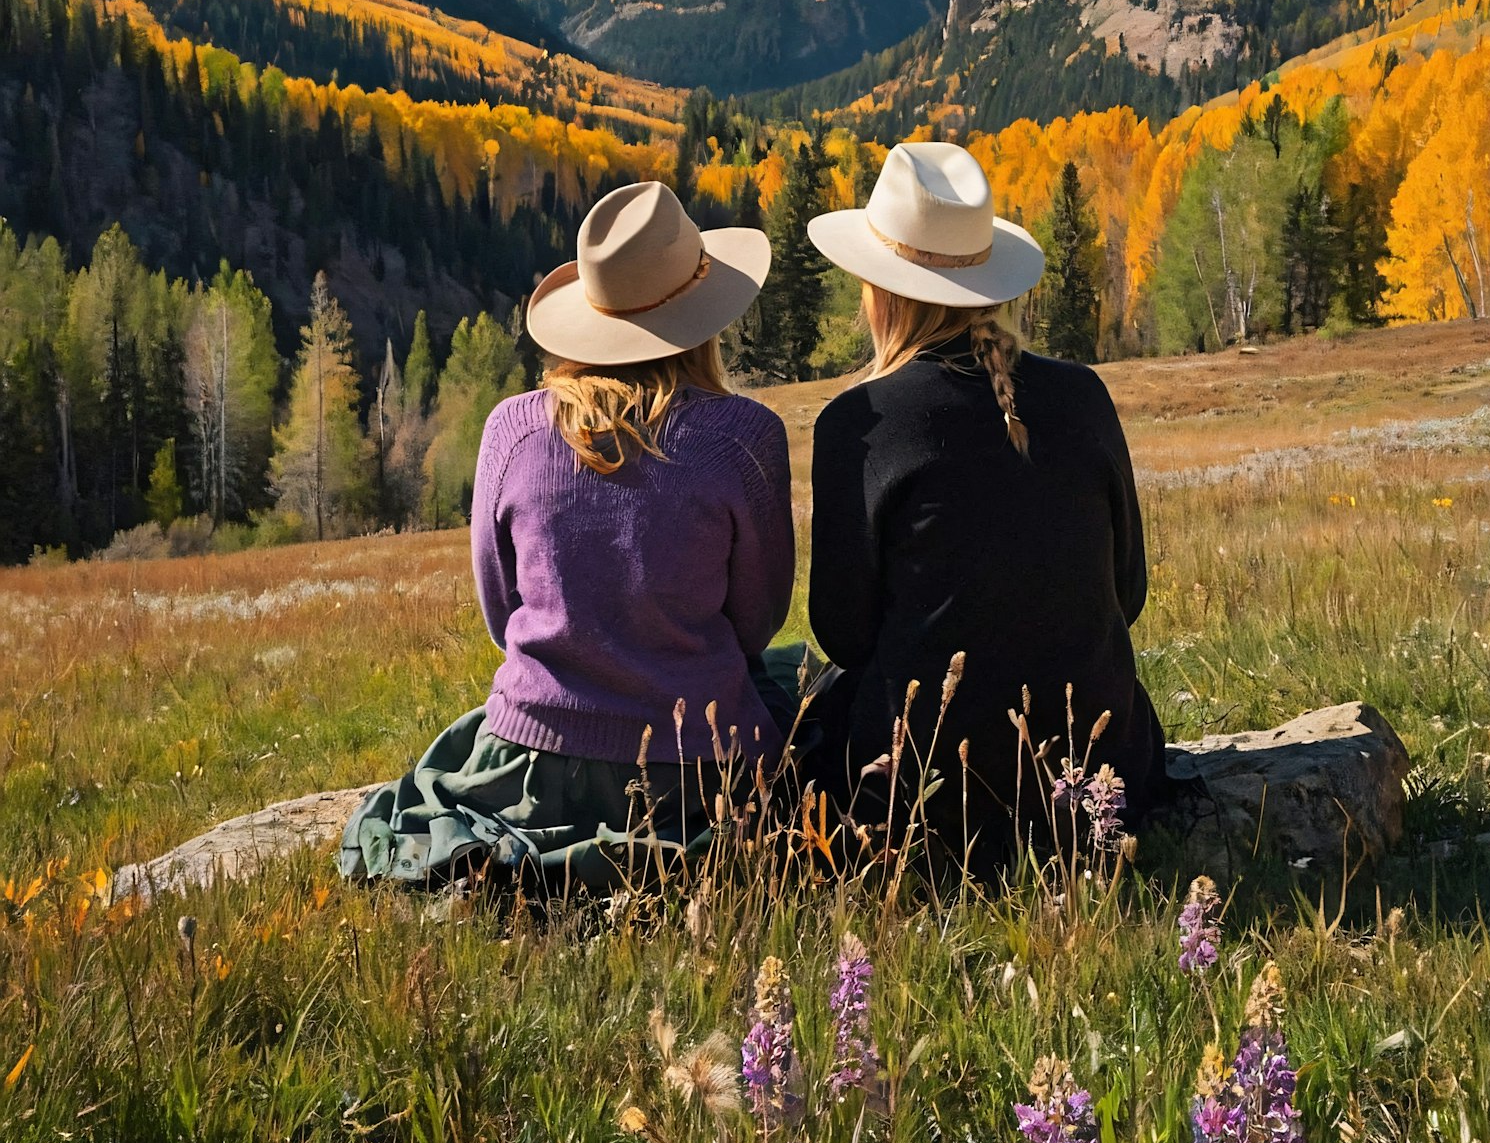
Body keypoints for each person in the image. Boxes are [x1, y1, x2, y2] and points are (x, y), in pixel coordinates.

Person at [342, 180, 797, 892]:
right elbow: (756, 622)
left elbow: (502, 613)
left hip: (532, 759)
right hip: (694, 769)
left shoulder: (512, 431)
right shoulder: (744, 439)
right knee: (799, 674)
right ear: (703, 316)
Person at [806, 141, 1166, 875]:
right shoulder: (1083, 395)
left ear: (883, 292)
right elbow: (1126, 595)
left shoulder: (859, 424)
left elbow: (843, 635)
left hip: (921, 789)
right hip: (1095, 769)